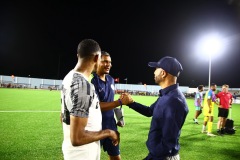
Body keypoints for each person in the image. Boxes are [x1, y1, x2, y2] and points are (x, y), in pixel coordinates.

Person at [60, 39, 120, 160]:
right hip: (82, 154)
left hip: (76, 152)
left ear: (78, 55)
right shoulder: (82, 85)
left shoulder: (69, 77)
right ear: (97, 58)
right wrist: (109, 132)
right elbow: (77, 138)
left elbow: (63, 117)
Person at [121, 56, 189, 160]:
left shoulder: (174, 101)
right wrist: (131, 103)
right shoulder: (167, 95)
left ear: (163, 73)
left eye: (156, 69)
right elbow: (149, 111)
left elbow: (168, 142)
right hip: (158, 155)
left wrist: (155, 155)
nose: (154, 72)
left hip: (162, 156)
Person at [91, 51, 123, 160]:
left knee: (115, 157)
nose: (108, 64)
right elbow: (96, 106)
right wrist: (119, 102)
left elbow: (111, 102)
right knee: (92, 157)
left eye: (109, 62)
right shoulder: (92, 81)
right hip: (96, 128)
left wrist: (120, 117)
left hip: (111, 126)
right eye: (104, 61)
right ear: (97, 62)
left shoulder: (111, 80)